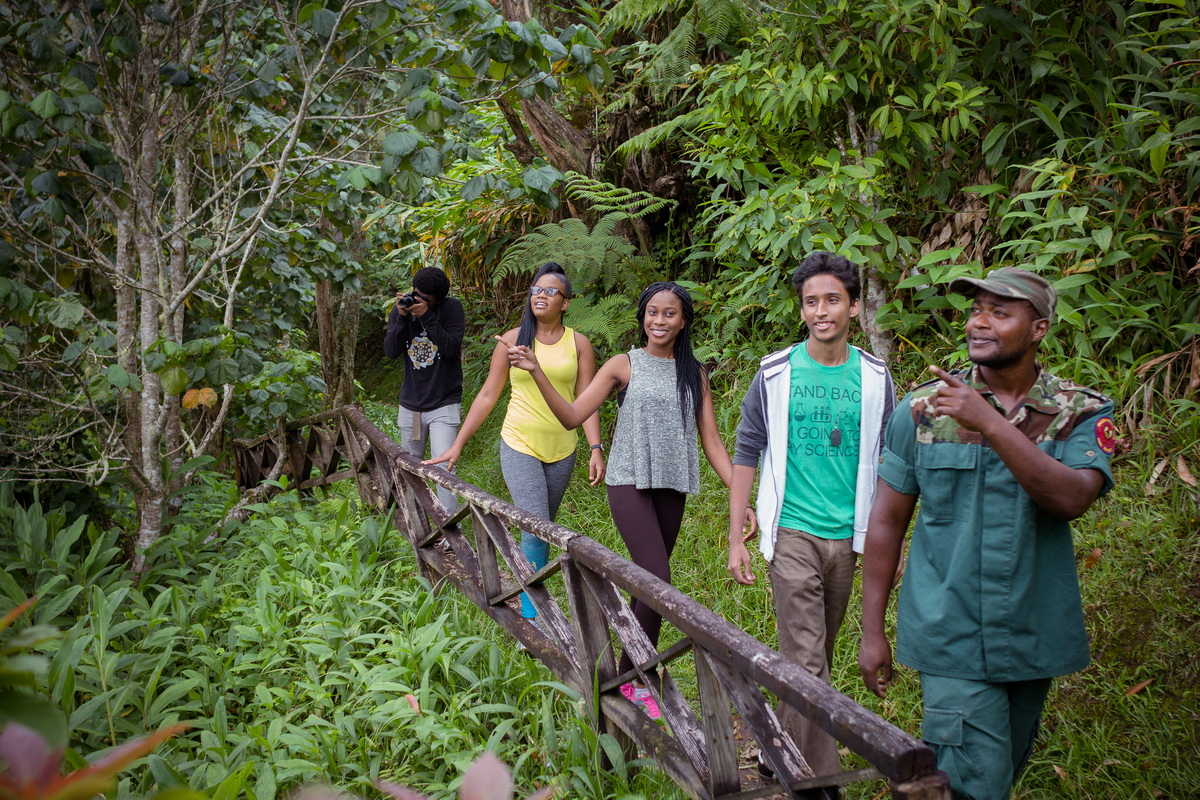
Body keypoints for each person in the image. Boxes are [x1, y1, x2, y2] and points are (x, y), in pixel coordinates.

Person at [858, 267, 1116, 800]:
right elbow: (886, 520)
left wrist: (993, 425)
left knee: (999, 773)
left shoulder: (1077, 413)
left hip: (1032, 633)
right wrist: (872, 629)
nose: (980, 322)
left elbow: (1072, 498)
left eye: (1001, 312)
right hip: (949, 632)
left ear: (1039, 328)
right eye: (977, 309)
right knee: (973, 784)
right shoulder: (924, 410)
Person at [507, 281, 756, 719]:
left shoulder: (694, 373)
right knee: (658, 578)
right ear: (642, 316)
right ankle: (639, 678)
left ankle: (628, 674)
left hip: (672, 486)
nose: (659, 321)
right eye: (652, 312)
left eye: (670, 314)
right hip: (627, 481)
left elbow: (714, 444)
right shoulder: (624, 364)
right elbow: (571, 415)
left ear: (684, 321)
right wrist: (535, 371)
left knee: (650, 583)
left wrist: (742, 498)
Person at [727, 252, 896, 799]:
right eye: (810, 302)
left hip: (847, 538)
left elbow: (892, 458)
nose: (821, 311)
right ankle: (821, 786)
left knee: (810, 658)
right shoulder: (776, 373)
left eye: (831, 300)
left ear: (852, 305)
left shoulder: (875, 378)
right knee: (806, 658)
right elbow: (747, 451)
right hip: (792, 531)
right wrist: (736, 535)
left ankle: (778, 752)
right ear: (801, 309)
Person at [425, 262, 606, 625]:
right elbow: (488, 395)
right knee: (536, 524)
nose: (541, 295)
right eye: (536, 289)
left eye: (550, 291)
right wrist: (458, 444)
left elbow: (585, 400)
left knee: (542, 529)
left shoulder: (579, 344)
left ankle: (531, 596)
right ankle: (534, 619)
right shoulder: (513, 340)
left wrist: (595, 447)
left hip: (563, 449)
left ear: (565, 303)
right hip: (519, 442)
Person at [383, 266, 465, 515]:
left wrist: (427, 316)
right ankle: (415, 520)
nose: (416, 299)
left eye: (424, 298)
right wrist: (402, 318)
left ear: (437, 300)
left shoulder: (451, 309)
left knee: (443, 467)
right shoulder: (402, 309)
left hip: (443, 404)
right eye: (415, 293)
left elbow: (451, 348)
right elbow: (390, 351)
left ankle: (452, 530)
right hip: (414, 408)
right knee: (410, 463)